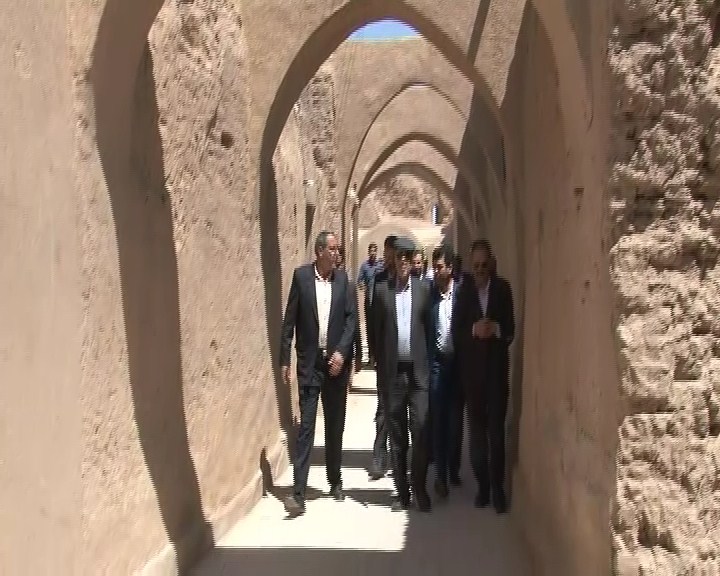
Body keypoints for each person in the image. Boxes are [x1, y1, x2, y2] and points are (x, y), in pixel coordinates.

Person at [279, 231, 358, 517]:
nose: (337, 254)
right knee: (306, 428)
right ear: (319, 252)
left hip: (335, 365)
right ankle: (298, 492)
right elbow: (289, 321)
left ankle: (335, 480)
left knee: (335, 425)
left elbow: (351, 321)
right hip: (310, 364)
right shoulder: (301, 278)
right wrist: (284, 359)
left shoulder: (344, 282)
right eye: (333, 249)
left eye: (338, 249)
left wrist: (342, 353)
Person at [454, 239, 514, 513]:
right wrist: (473, 331)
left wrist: (496, 330)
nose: (479, 270)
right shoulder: (464, 293)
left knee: (496, 435)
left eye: (483, 265)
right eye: (475, 266)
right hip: (473, 378)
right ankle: (483, 485)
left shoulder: (503, 290)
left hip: (497, 375)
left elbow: (511, 330)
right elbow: (456, 332)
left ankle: (498, 489)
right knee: (477, 436)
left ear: (491, 264)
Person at [373, 237, 433, 512]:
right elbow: (375, 332)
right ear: (394, 260)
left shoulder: (424, 290)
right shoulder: (381, 291)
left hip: (418, 373)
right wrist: (380, 368)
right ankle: (402, 492)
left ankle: (419, 486)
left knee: (420, 430)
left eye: (408, 257)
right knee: (397, 436)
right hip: (394, 374)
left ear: (412, 261)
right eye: (400, 257)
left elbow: (430, 331)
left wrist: (428, 367)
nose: (404, 262)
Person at [428, 244, 464, 498]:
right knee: (439, 419)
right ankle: (440, 475)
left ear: (450, 268)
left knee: (455, 421)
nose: (436, 272)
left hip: (459, 365)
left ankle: (453, 467)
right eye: (434, 267)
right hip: (437, 363)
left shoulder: (463, 295)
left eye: (440, 267)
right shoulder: (429, 295)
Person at [367, 235, 398, 480]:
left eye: (391, 255)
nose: (387, 259)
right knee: (382, 408)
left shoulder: (411, 281)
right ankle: (379, 454)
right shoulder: (379, 280)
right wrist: (374, 351)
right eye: (386, 255)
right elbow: (372, 319)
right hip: (385, 357)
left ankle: (399, 458)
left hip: (406, 358)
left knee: (400, 410)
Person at [356, 242, 382, 367]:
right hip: (368, 302)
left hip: (378, 302)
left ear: (376, 252)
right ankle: (371, 356)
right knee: (369, 328)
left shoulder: (380, 265)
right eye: (371, 251)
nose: (372, 253)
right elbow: (359, 281)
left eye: (374, 251)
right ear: (368, 252)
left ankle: (378, 355)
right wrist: (363, 287)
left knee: (378, 328)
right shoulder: (364, 266)